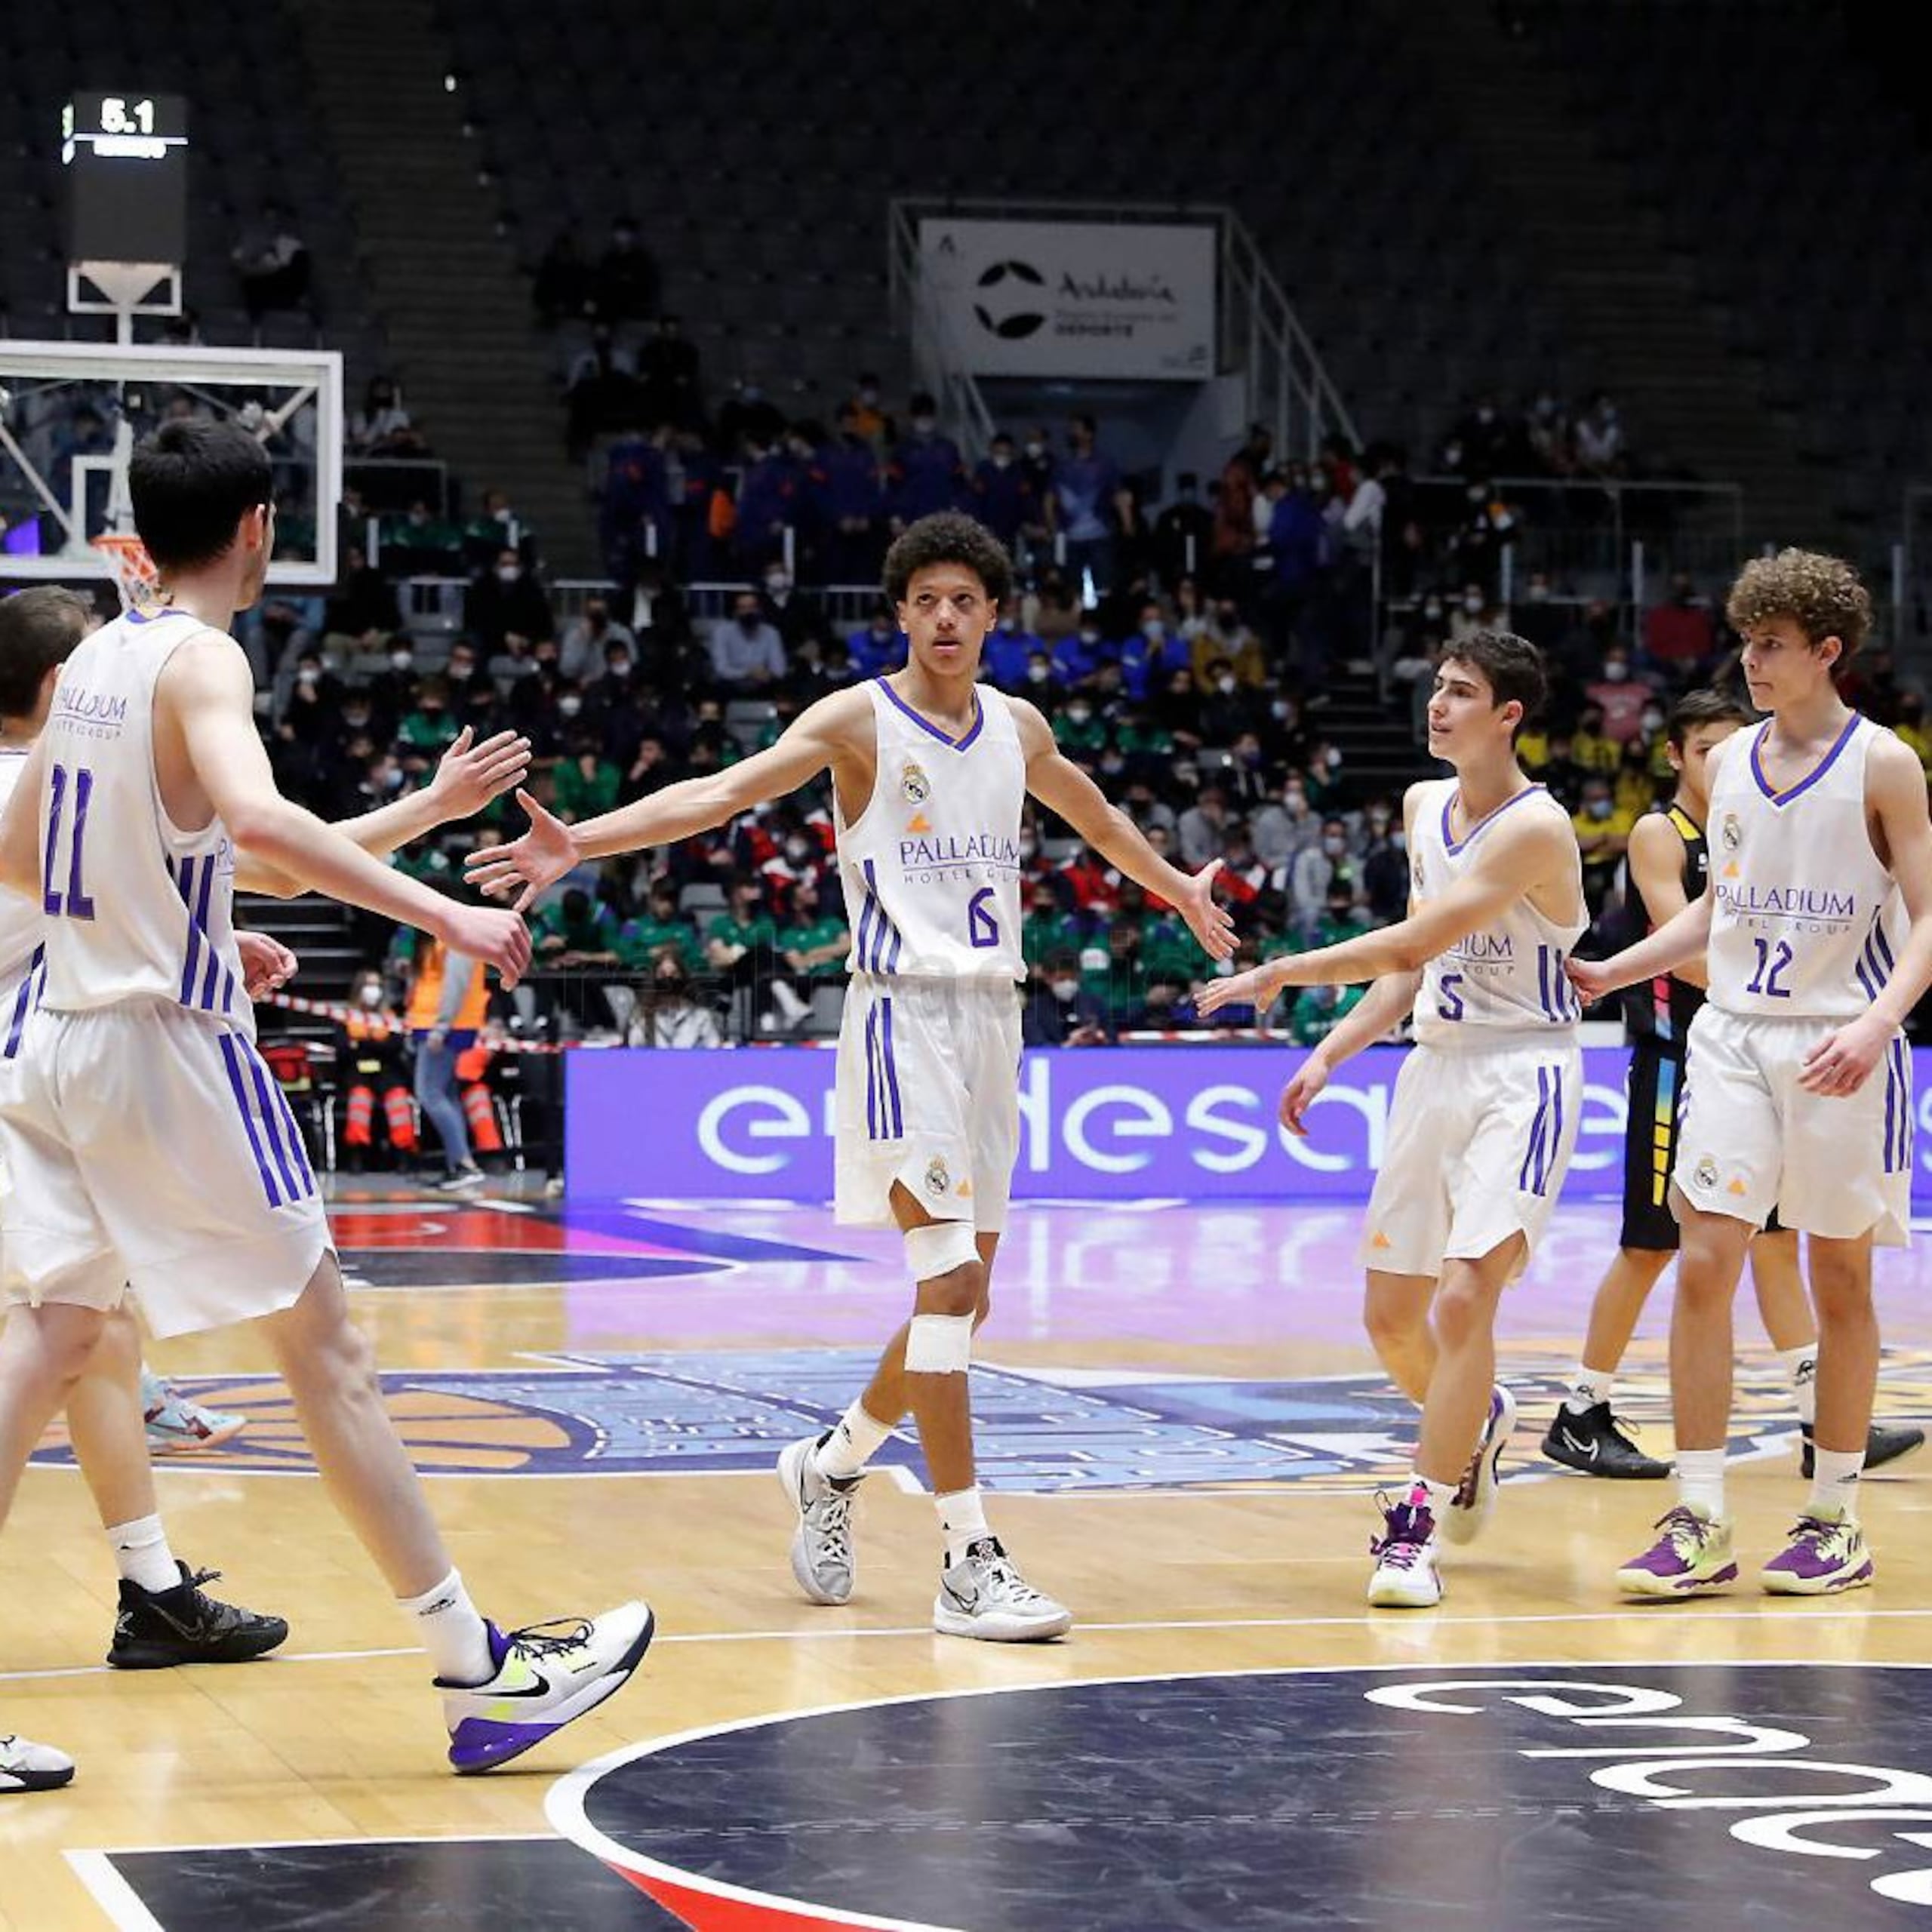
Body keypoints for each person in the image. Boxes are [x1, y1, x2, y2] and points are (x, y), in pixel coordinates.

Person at [0, 421, 652, 1785]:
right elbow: (257, 823)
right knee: (324, 1344)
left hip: (53, 1042)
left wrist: (173, 922)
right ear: (257, 526)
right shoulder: (200, 655)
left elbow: (26, 854)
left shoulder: (94, 662)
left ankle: (468, 1653)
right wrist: (444, 920)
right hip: (163, 1053)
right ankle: (482, 1666)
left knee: (54, 1340)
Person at [469, 511, 1235, 1641]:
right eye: (925, 598)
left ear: (992, 616)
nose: (945, 616)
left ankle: (831, 1466)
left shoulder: (1017, 728)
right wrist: (579, 839)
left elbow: (1098, 815)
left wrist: (1174, 887)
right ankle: (968, 1558)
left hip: (993, 1023)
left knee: (959, 1294)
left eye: (965, 600)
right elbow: (720, 794)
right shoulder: (857, 720)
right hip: (901, 1022)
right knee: (952, 1286)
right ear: (900, 614)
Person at [1568, 551, 1932, 1600]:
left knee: (1841, 1277)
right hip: (1730, 1036)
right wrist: (1616, 966)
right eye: (1746, 640)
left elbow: (1924, 915)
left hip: (1837, 1040)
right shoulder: (1729, 766)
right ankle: (1700, 1514)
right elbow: (1722, 912)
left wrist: (1875, 1024)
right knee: (1705, 1260)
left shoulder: (1885, 765)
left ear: (1829, 652)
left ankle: (1837, 1518)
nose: (1750, 662)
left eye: (1771, 645)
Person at [1200, 631, 1586, 1608]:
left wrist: (1279, 971)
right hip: (1435, 1068)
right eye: (1436, 688)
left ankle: (1415, 1523)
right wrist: (1332, 1051)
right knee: (1390, 1317)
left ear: (1509, 715)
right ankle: (1475, 1424)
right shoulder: (1424, 808)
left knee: (1464, 1302)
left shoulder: (1537, 828)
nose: (1438, 705)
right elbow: (1417, 970)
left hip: (1522, 1075)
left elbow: (1416, 934)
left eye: (1460, 693)